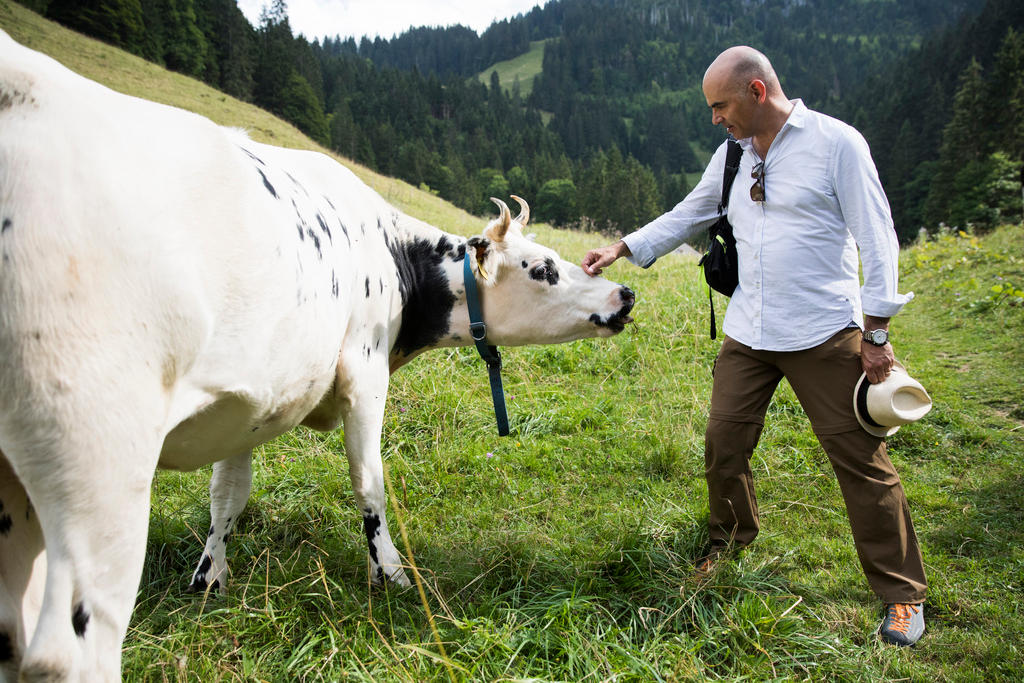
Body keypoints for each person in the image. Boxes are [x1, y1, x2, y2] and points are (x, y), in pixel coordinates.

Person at [582, 46, 927, 647]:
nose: (716, 118)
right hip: (749, 331)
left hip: (825, 332)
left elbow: (879, 240)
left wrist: (876, 335)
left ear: (757, 93)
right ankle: (730, 546)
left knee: (861, 464)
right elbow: (690, 214)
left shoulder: (837, 144)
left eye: (721, 106)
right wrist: (621, 248)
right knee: (723, 445)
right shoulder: (732, 154)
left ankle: (902, 596)